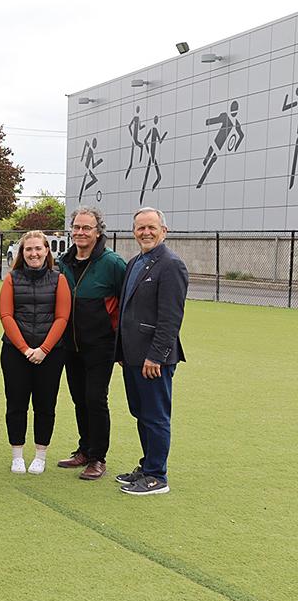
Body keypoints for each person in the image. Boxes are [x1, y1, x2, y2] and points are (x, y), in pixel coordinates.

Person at [115, 207, 188, 496]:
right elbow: (127, 311)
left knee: (155, 416)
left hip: (153, 359)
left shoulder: (171, 264)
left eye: (151, 227)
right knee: (141, 413)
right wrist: (122, 351)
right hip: (133, 356)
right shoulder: (135, 262)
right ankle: (147, 467)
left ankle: (157, 476)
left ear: (164, 231)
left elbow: (171, 317)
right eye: (140, 228)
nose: (145, 232)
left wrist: (156, 355)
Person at [56, 206, 127, 481]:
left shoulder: (113, 263)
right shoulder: (63, 261)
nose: (80, 232)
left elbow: (126, 305)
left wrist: (121, 346)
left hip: (100, 346)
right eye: (76, 227)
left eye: (87, 228)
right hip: (69, 346)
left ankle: (98, 457)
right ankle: (84, 450)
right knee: (78, 399)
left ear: (98, 231)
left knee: (95, 399)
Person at [0, 231, 72, 475]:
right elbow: (6, 316)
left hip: (50, 355)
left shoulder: (58, 279)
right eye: (28, 249)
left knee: (45, 405)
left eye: (38, 249)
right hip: (14, 352)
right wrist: (25, 349)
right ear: (22, 253)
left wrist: (43, 349)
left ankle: (40, 454)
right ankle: (17, 455)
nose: (33, 253)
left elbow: (62, 318)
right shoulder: (11, 278)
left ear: (46, 251)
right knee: (16, 404)